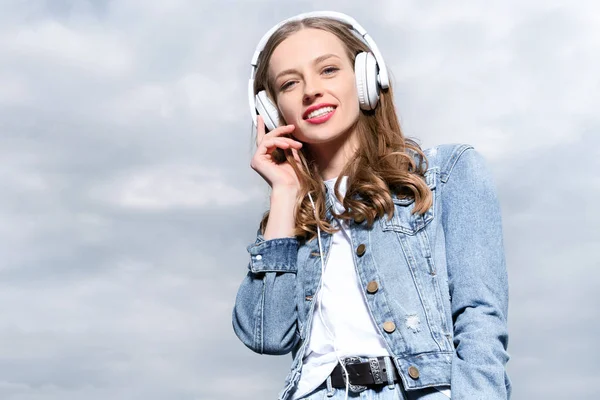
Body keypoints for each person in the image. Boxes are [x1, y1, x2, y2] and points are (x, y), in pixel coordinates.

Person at [232, 11, 511, 400]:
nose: (311, 90)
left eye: (328, 70)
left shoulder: (446, 174)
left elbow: (480, 320)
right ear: (272, 111)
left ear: (365, 78)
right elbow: (266, 334)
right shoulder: (294, 217)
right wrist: (284, 192)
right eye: (290, 83)